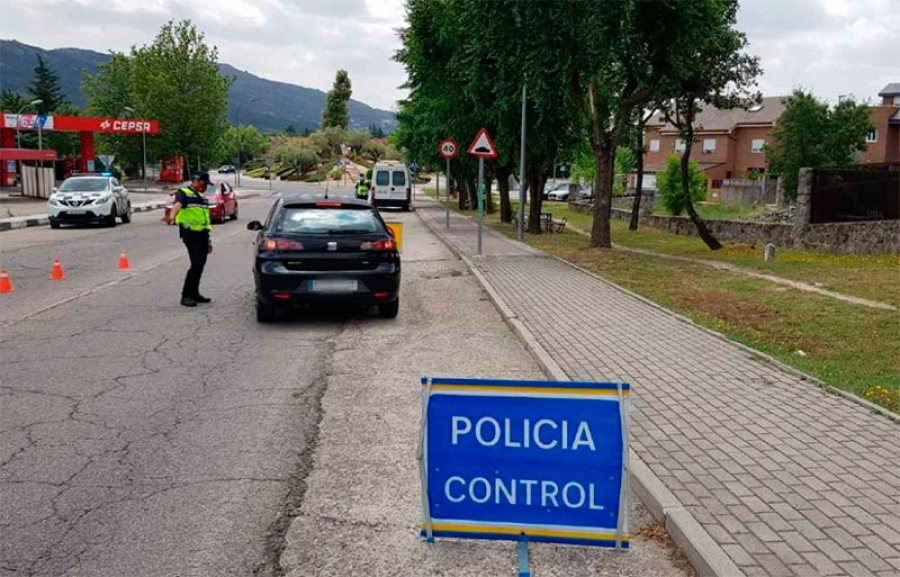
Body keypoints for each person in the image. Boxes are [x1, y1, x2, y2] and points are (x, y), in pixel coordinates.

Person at [164, 171, 213, 307]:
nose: (206, 187)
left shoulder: (202, 198)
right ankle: (186, 296)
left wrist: (208, 241)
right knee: (196, 264)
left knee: (200, 265)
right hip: (190, 234)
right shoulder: (184, 192)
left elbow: (205, 220)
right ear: (196, 181)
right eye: (204, 183)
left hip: (203, 235)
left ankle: (195, 293)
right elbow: (177, 205)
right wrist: (171, 217)